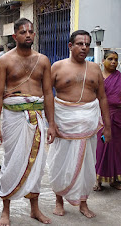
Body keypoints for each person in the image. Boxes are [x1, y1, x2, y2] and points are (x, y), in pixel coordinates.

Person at [0, 18, 55, 226]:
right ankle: (5, 210)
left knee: (37, 164)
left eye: (31, 32)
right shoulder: (4, 61)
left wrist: (52, 124)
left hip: (37, 118)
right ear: (15, 36)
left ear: (34, 35)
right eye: (23, 32)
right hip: (13, 118)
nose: (28, 35)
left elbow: (48, 93)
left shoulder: (43, 60)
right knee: (12, 162)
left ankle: (35, 209)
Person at [47, 30, 111, 219]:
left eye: (87, 44)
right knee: (59, 162)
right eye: (80, 44)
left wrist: (107, 126)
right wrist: (51, 123)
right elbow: (47, 95)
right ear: (70, 46)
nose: (84, 47)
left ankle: (83, 203)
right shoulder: (57, 67)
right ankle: (59, 200)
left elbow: (102, 98)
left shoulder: (94, 69)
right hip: (64, 123)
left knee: (87, 165)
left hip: (88, 125)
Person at [94, 50, 121, 191]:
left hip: (117, 118)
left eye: (116, 59)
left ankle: (114, 179)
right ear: (103, 61)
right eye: (110, 59)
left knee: (116, 149)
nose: (113, 62)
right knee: (101, 147)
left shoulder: (120, 78)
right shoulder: (98, 77)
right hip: (99, 117)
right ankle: (97, 180)